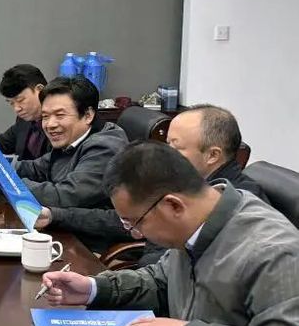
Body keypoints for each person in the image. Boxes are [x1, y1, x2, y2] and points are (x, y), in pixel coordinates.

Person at [41, 141, 299, 326]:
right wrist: (96, 288)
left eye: (135, 223)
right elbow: (161, 281)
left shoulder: (273, 254)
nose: (136, 234)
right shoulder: (199, 221)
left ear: (173, 205)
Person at [36, 103, 267, 256]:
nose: (165, 154)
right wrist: (56, 216)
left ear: (212, 155)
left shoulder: (235, 208)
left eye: (176, 147)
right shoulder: (182, 182)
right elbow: (123, 221)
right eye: (167, 144)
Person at [0, 76, 127, 215]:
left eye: (60, 115)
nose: (50, 125)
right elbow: (35, 168)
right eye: (45, 116)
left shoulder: (104, 147)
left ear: (87, 115)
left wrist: (3, 182)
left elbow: (65, 196)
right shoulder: (72, 139)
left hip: (84, 236)